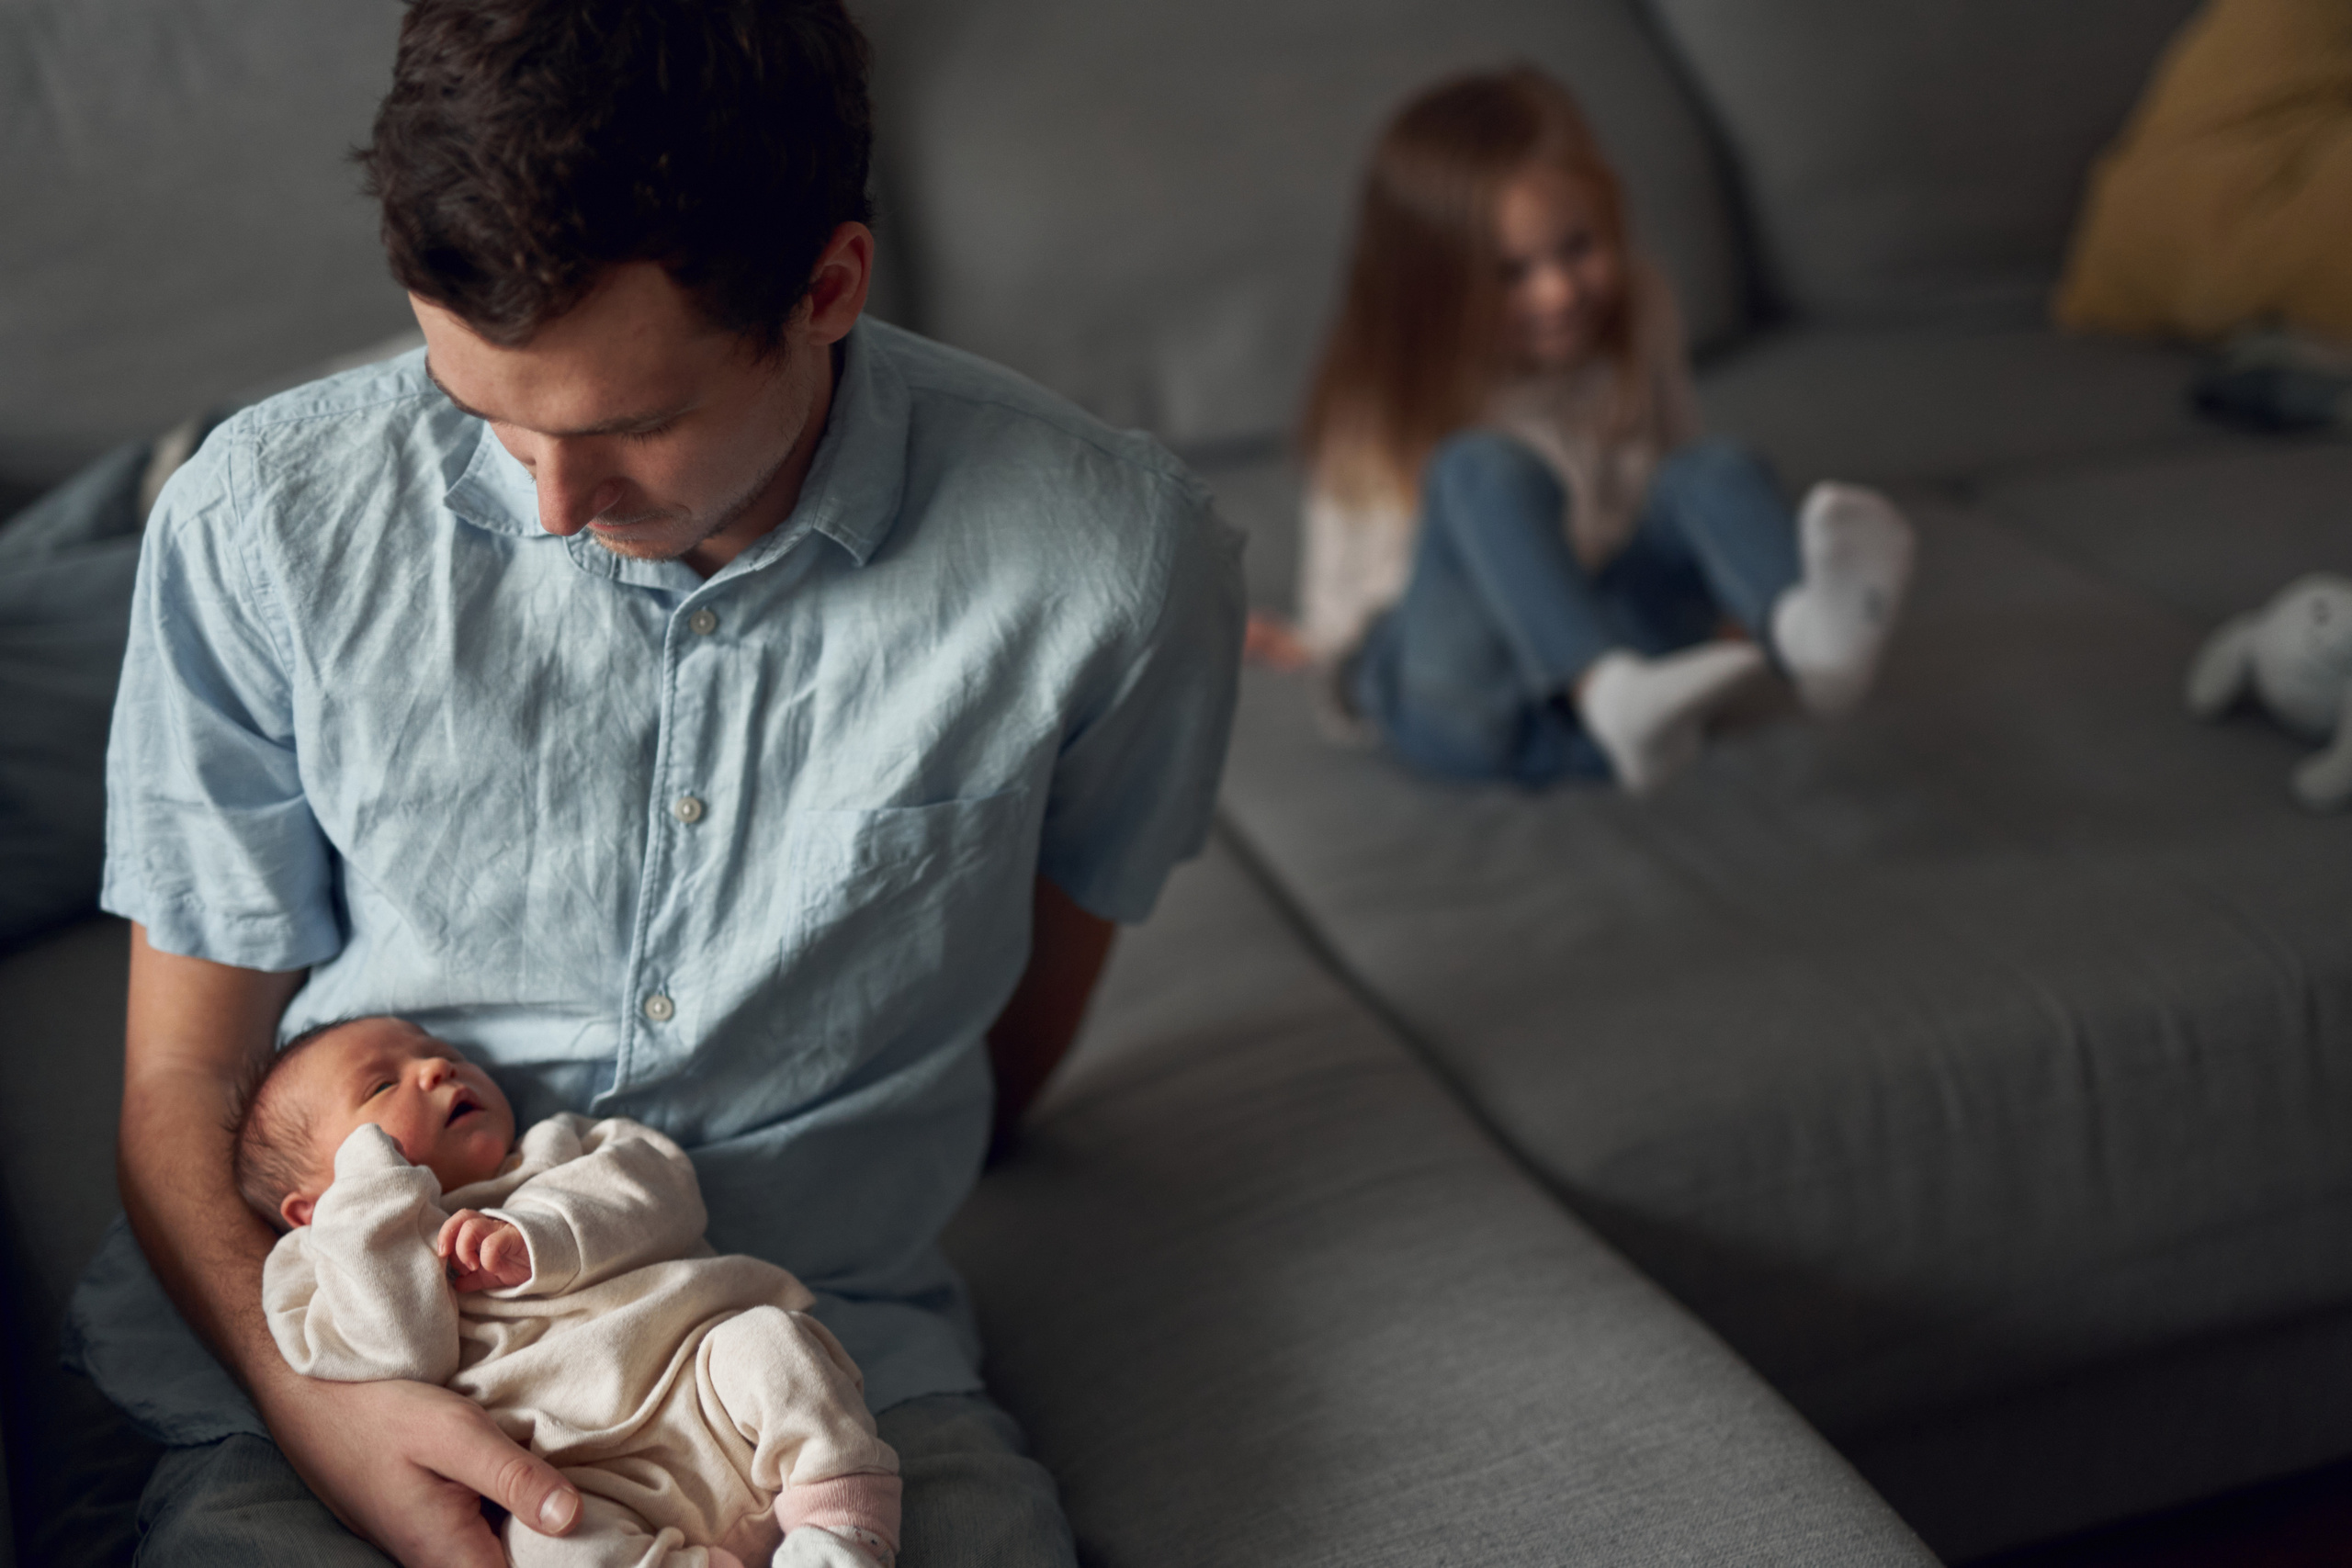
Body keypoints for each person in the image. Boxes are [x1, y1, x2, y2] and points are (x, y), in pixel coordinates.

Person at [81, 3, 1243, 1565]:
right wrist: (321, 1411)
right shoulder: (256, 526)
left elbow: (1030, 1013)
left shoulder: (1112, 561)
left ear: (828, 286)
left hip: (825, 1361)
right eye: (483, 410)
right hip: (354, 1362)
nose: (553, 508)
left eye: (631, 424)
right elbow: (183, 1085)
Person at [1250, 66, 1915, 793]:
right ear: (1433, 287)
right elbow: (1351, 594)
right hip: (1476, 697)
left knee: (1712, 470)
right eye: (1510, 272)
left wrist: (1723, 594)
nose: (1559, 290)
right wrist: (1313, 644)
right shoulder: (1383, 392)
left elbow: (1669, 470)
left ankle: (1808, 640)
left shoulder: (1639, 311)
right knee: (1479, 470)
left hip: (1626, 658)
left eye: (1578, 247)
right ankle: (1605, 688)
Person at [240, 1015, 902, 1568]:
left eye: (442, 1054)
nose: (437, 1069)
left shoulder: (562, 1147)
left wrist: (536, 1233)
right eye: (383, 1083)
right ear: (312, 1209)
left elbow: (661, 1189)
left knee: (773, 1347)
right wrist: (368, 1210)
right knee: (545, 1543)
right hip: (583, 1473)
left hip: (703, 1380)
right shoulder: (318, 1274)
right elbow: (399, 1362)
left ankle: (840, 1536)